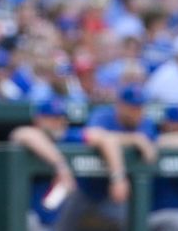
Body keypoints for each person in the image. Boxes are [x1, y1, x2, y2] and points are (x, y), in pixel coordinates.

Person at [10, 98, 129, 231]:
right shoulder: (31, 135)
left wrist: (117, 178)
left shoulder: (70, 137)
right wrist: (61, 167)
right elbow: (24, 134)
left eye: (61, 118)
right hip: (25, 218)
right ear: (38, 121)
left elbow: (107, 138)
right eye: (51, 118)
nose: (58, 122)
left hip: (56, 220)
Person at [54, 84, 157, 231]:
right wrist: (134, 139)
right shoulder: (103, 116)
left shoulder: (146, 123)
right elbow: (97, 136)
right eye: (133, 108)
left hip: (117, 195)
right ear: (120, 106)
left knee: (126, 218)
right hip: (87, 188)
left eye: (140, 108)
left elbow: (150, 145)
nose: (137, 112)